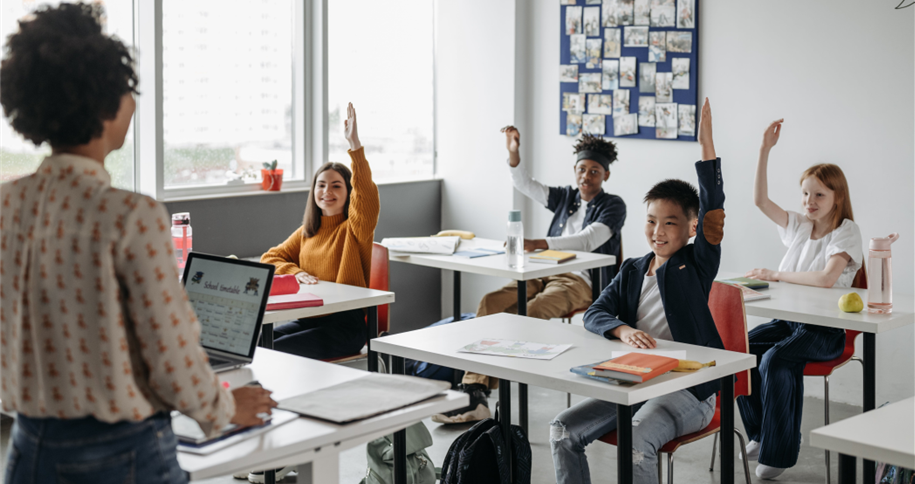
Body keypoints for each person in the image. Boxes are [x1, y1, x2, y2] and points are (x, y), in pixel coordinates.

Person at [0, 5, 274, 483]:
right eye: (129, 90)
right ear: (105, 103)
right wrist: (225, 405)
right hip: (122, 453)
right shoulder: (130, 215)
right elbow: (170, 354)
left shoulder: (7, 205)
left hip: (27, 448)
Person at [549, 99, 723, 484]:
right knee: (563, 429)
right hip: (635, 380)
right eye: (651, 221)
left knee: (636, 439)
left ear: (691, 228)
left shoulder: (696, 264)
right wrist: (623, 330)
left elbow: (713, 211)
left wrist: (707, 148)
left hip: (690, 389)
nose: (658, 232)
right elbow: (594, 313)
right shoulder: (631, 269)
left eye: (671, 223)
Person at [434, 128, 626, 425]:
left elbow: (589, 240)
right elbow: (525, 184)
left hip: (580, 282)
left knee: (530, 312)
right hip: (542, 271)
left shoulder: (613, 205)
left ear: (606, 175)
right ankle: (475, 390)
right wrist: (513, 152)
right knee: (492, 302)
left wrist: (540, 242)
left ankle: (475, 391)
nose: (587, 176)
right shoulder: (566, 197)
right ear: (575, 171)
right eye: (582, 169)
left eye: (595, 171)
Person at [737, 119, 863, 480]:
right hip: (790, 321)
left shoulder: (847, 232)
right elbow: (759, 200)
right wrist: (764, 150)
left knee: (776, 360)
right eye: (806, 194)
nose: (810, 202)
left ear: (838, 197)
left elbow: (826, 279)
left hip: (826, 330)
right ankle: (761, 434)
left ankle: (779, 453)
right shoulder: (799, 226)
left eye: (820, 195)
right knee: (740, 350)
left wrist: (776, 275)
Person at [260, 102, 380, 360]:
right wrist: (296, 272)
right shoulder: (308, 231)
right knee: (255, 342)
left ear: (349, 192)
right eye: (321, 185)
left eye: (337, 186)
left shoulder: (356, 228)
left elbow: (367, 197)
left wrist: (355, 146)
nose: (327, 192)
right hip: (310, 319)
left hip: (346, 327)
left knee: (274, 353)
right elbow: (270, 258)